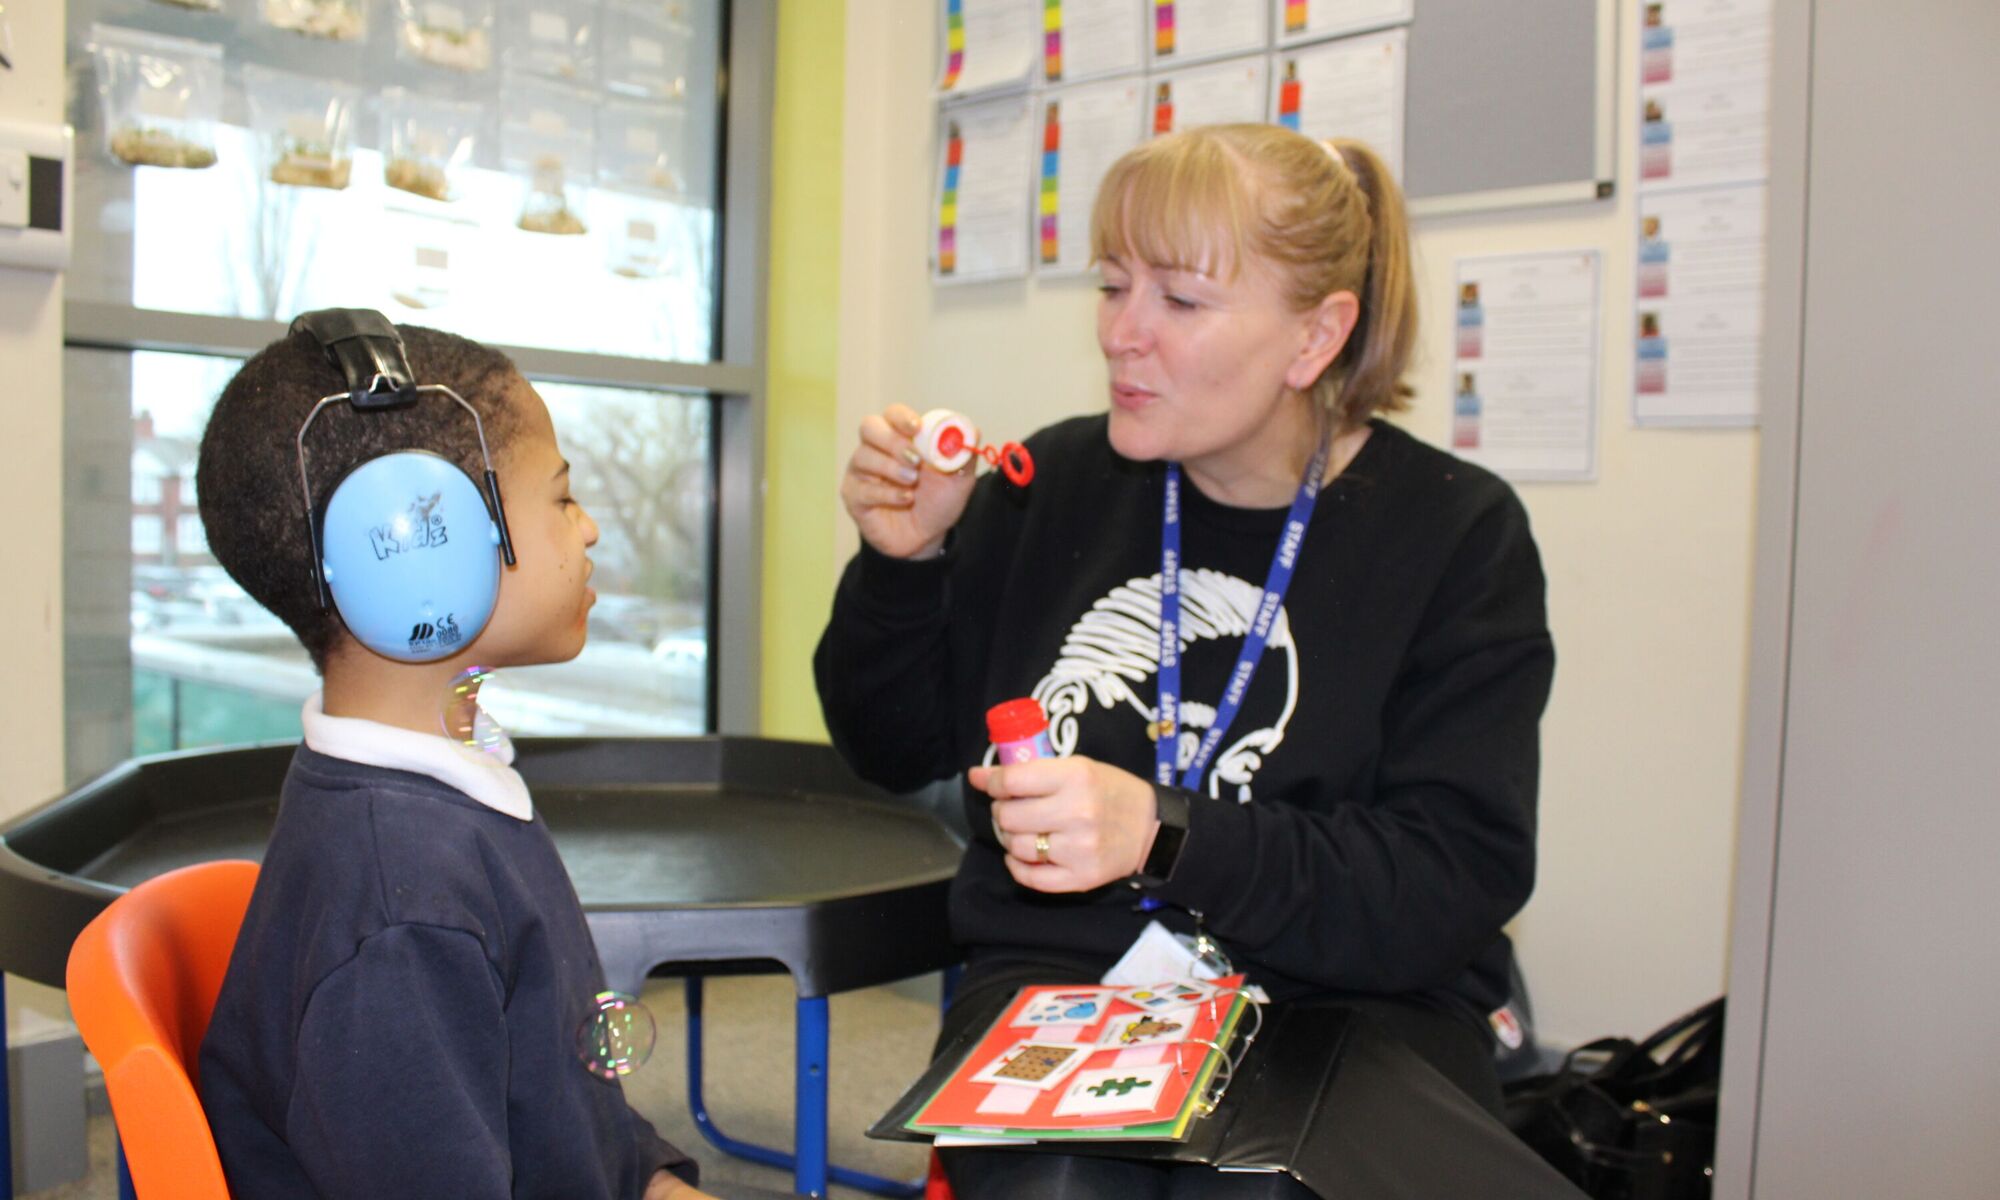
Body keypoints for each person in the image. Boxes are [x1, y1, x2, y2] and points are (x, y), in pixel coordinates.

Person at [816, 125, 1554, 1198]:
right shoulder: (1049, 483)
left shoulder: (1455, 533)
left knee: (1264, 1191)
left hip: (1358, 995)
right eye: (1113, 286)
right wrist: (904, 563)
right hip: (1069, 969)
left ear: (1316, 337)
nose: (1123, 334)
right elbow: (890, 749)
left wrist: (1162, 834)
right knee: (1056, 1189)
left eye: (1179, 299)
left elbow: (1447, 880)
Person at [193, 317, 714, 1200]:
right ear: (416, 546)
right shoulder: (400, 914)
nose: (589, 528)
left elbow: (554, 1101)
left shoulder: (434, 802)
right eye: (561, 498)